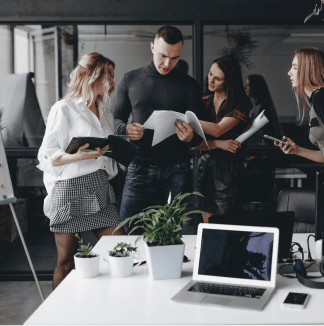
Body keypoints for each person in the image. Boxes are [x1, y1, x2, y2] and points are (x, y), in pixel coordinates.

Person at [37, 52, 125, 289]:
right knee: (66, 262)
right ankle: (58, 317)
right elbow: (46, 156)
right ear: (92, 77)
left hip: (99, 186)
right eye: (110, 77)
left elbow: (106, 155)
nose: (114, 84)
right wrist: (76, 156)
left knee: (121, 250)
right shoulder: (63, 108)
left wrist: (117, 152)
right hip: (70, 190)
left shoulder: (105, 113)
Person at [112, 26, 204, 234]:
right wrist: (125, 128)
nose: (167, 64)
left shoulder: (190, 86)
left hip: (177, 169)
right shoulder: (130, 79)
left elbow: (198, 137)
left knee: (169, 233)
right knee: (131, 231)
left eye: (174, 58)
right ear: (152, 47)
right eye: (163, 56)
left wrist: (191, 136)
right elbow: (114, 120)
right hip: (138, 168)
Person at [176, 56, 252, 223]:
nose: (211, 80)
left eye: (218, 78)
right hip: (205, 165)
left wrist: (184, 118)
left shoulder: (241, 102)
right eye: (210, 74)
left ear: (229, 81)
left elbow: (218, 130)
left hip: (228, 169)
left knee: (226, 222)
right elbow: (195, 145)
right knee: (207, 221)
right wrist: (218, 144)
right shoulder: (204, 101)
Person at [245, 74, 284, 144]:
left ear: (255, 87)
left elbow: (260, 133)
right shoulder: (255, 107)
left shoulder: (263, 108)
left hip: (265, 148)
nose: (245, 88)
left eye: (248, 85)